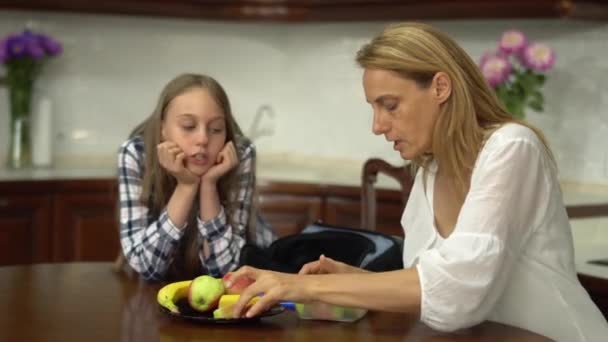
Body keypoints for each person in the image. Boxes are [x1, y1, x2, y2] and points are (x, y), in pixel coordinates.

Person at [226, 23, 608, 341]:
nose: (377, 125)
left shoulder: (511, 148)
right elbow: (433, 281)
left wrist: (302, 286)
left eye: (390, 105)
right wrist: (356, 281)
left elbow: (459, 293)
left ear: (441, 88)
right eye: (374, 108)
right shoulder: (429, 171)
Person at [117, 73, 276, 281]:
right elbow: (147, 266)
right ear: (163, 128)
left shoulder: (241, 153)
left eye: (216, 129)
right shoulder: (136, 153)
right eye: (188, 126)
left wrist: (209, 185)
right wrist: (186, 186)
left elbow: (226, 270)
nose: (202, 139)